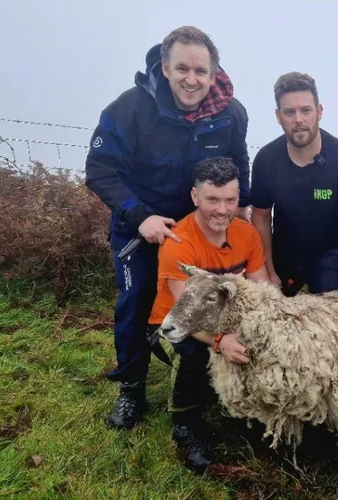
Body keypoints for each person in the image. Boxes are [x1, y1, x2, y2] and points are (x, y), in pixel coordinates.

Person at [84, 26, 251, 430]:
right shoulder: (129, 109)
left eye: (200, 71)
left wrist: (240, 209)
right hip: (140, 223)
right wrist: (140, 217)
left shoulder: (231, 113)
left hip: (198, 229)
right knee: (137, 300)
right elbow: (99, 169)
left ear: (214, 72)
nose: (191, 80)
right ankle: (131, 388)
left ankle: (208, 377)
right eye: (182, 69)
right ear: (165, 67)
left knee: (213, 300)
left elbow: (239, 162)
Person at [146, 156, 269, 474]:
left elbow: (263, 289)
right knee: (193, 354)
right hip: (174, 323)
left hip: (227, 317)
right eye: (212, 199)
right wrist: (220, 341)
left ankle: (250, 413)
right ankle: (185, 423)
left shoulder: (247, 234)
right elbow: (188, 315)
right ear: (195, 196)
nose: (222, 209)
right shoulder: (179, 243)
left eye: (230, 200)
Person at [250, 72, 338, 323]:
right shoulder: (266, 160)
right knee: (275, 322)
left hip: (330, 253)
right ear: (278, 116)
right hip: (285, 251)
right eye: (289, 112)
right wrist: (269, 271)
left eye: (306, 110)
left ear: (319, 110)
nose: (299, 120)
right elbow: (261, 218)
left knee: (330, 324)